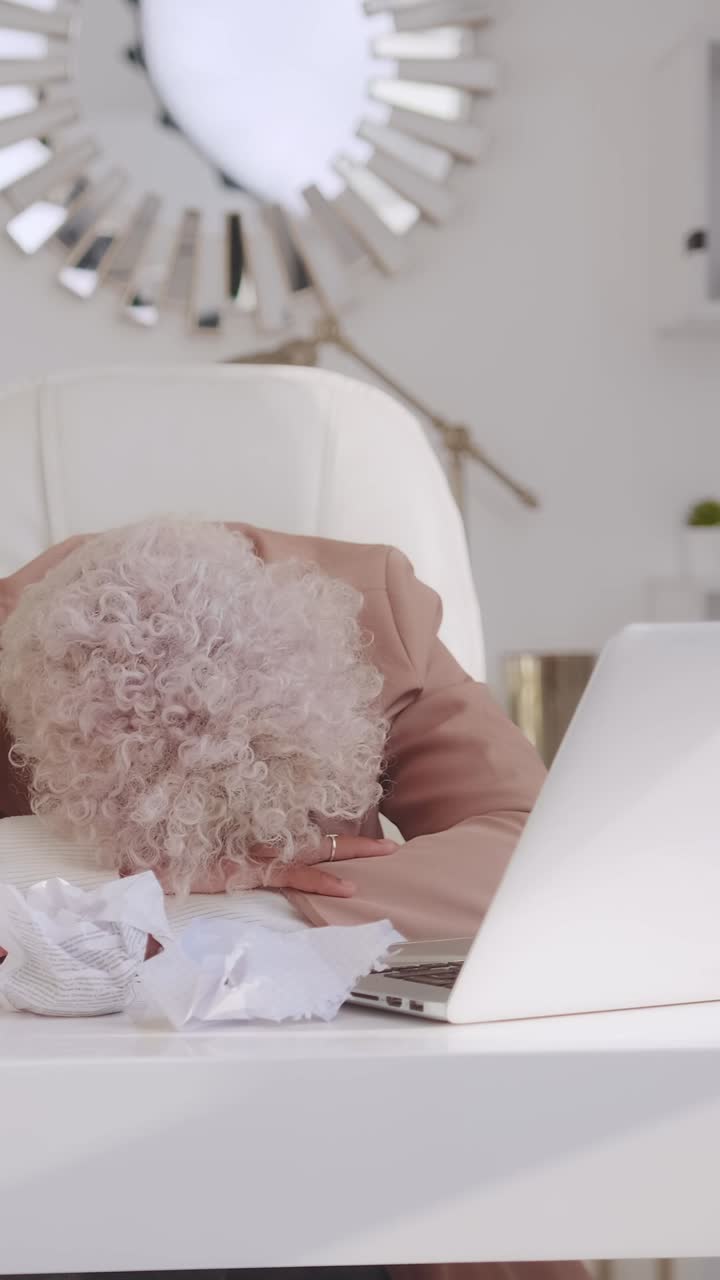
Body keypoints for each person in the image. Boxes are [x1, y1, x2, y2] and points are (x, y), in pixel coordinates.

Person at [0, 518, 586, 1280]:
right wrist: (119, 879)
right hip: (73, 1128)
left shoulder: (381, 617)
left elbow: (545, 854)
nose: (215, 864)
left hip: (362, 1116)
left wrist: (250, 904)